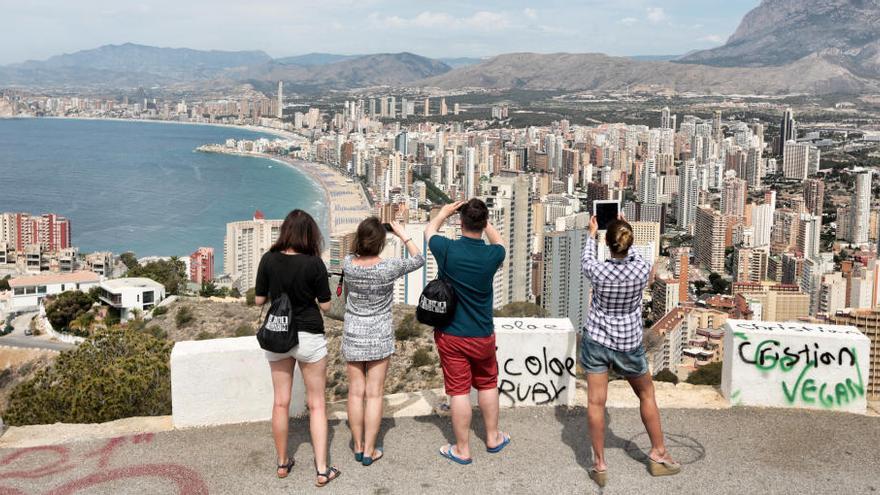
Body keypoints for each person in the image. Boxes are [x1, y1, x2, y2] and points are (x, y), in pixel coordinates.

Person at [580, 215, 680, 487]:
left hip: (598, 340)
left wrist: (593, 234)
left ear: (609, 245)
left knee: (595, 403)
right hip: (628, 343)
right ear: (628, 243)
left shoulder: (598, 271)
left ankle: (599, 463)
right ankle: (658, 452)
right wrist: (625, 228)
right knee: (646, 394)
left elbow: (587, 259)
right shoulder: (641, 268)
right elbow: (635, 255)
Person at [254, 209, 340, 488]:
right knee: (316, 405)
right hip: (309, 336)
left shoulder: (268, 259)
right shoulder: (314, 263)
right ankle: (322, 470)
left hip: (278, 333)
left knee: (281, 401)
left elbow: (258, 300)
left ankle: (282, 463)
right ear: (309, 234)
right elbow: (326, 306)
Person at [425, 198, 510, 465]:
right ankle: (493, 437)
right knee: (487, 383)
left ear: (460, 223)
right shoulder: (492, 255)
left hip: (451, 333)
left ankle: (462, 449)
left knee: (459, 391)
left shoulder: (447, 250)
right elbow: (501, 244)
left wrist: (444, 213)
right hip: (482, 333)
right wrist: (486, 223)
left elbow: (429, 232)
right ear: (484, 223)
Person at [342, 216, 425, 466]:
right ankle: (369, 450)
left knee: (356, 393)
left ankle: (357, 445)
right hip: (379, 335)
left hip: (354, 333)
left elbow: (350, 256)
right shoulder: (388, 267)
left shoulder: (348, 264)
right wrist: (402, 233)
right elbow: (419, 259)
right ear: (380, 242)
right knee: (375, 394)